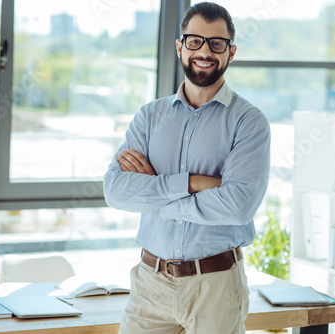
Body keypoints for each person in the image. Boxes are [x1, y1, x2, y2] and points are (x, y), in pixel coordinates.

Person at [103, 2, 270, 333]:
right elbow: (115, 190)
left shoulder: (249, 123)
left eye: (216, 43)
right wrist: (193, 182)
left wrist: (158, 193)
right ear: (181, 47)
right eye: (194, 41)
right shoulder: (149, 118)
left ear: (230, 52)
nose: (204, 51)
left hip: (216, 287)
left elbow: (238, 206)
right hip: (150, 286)